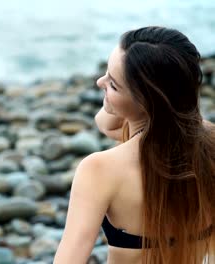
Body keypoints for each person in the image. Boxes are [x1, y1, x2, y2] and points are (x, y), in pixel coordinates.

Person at [54, 26, 215, 264]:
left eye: (113, 84)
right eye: (106, 74)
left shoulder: (99, 169)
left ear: (147, 100)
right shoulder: (208, 142)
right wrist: (120, 96)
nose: (99, 82)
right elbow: (106, 123)